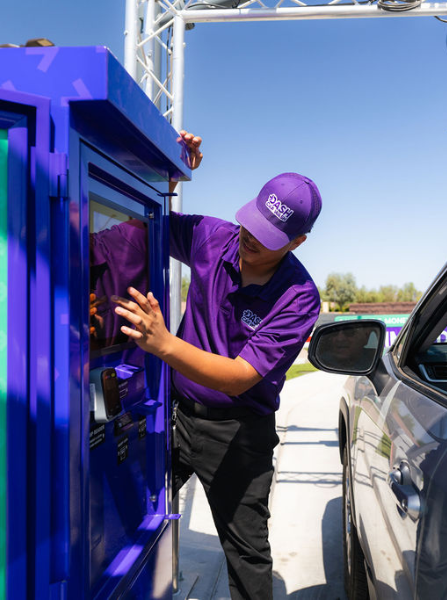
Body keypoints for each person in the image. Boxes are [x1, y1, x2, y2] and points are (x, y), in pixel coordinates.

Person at [113, 131, 322, 599]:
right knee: (130, 514)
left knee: (246, 554)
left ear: (298, 241)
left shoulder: (299, 297)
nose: (249, 239)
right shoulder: (213, 237)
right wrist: (170, 169)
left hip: (239, 435)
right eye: (250, 223)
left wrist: (164, 344)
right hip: (176, 416)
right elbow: (150, 218)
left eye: (267, 238)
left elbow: (240, 378)